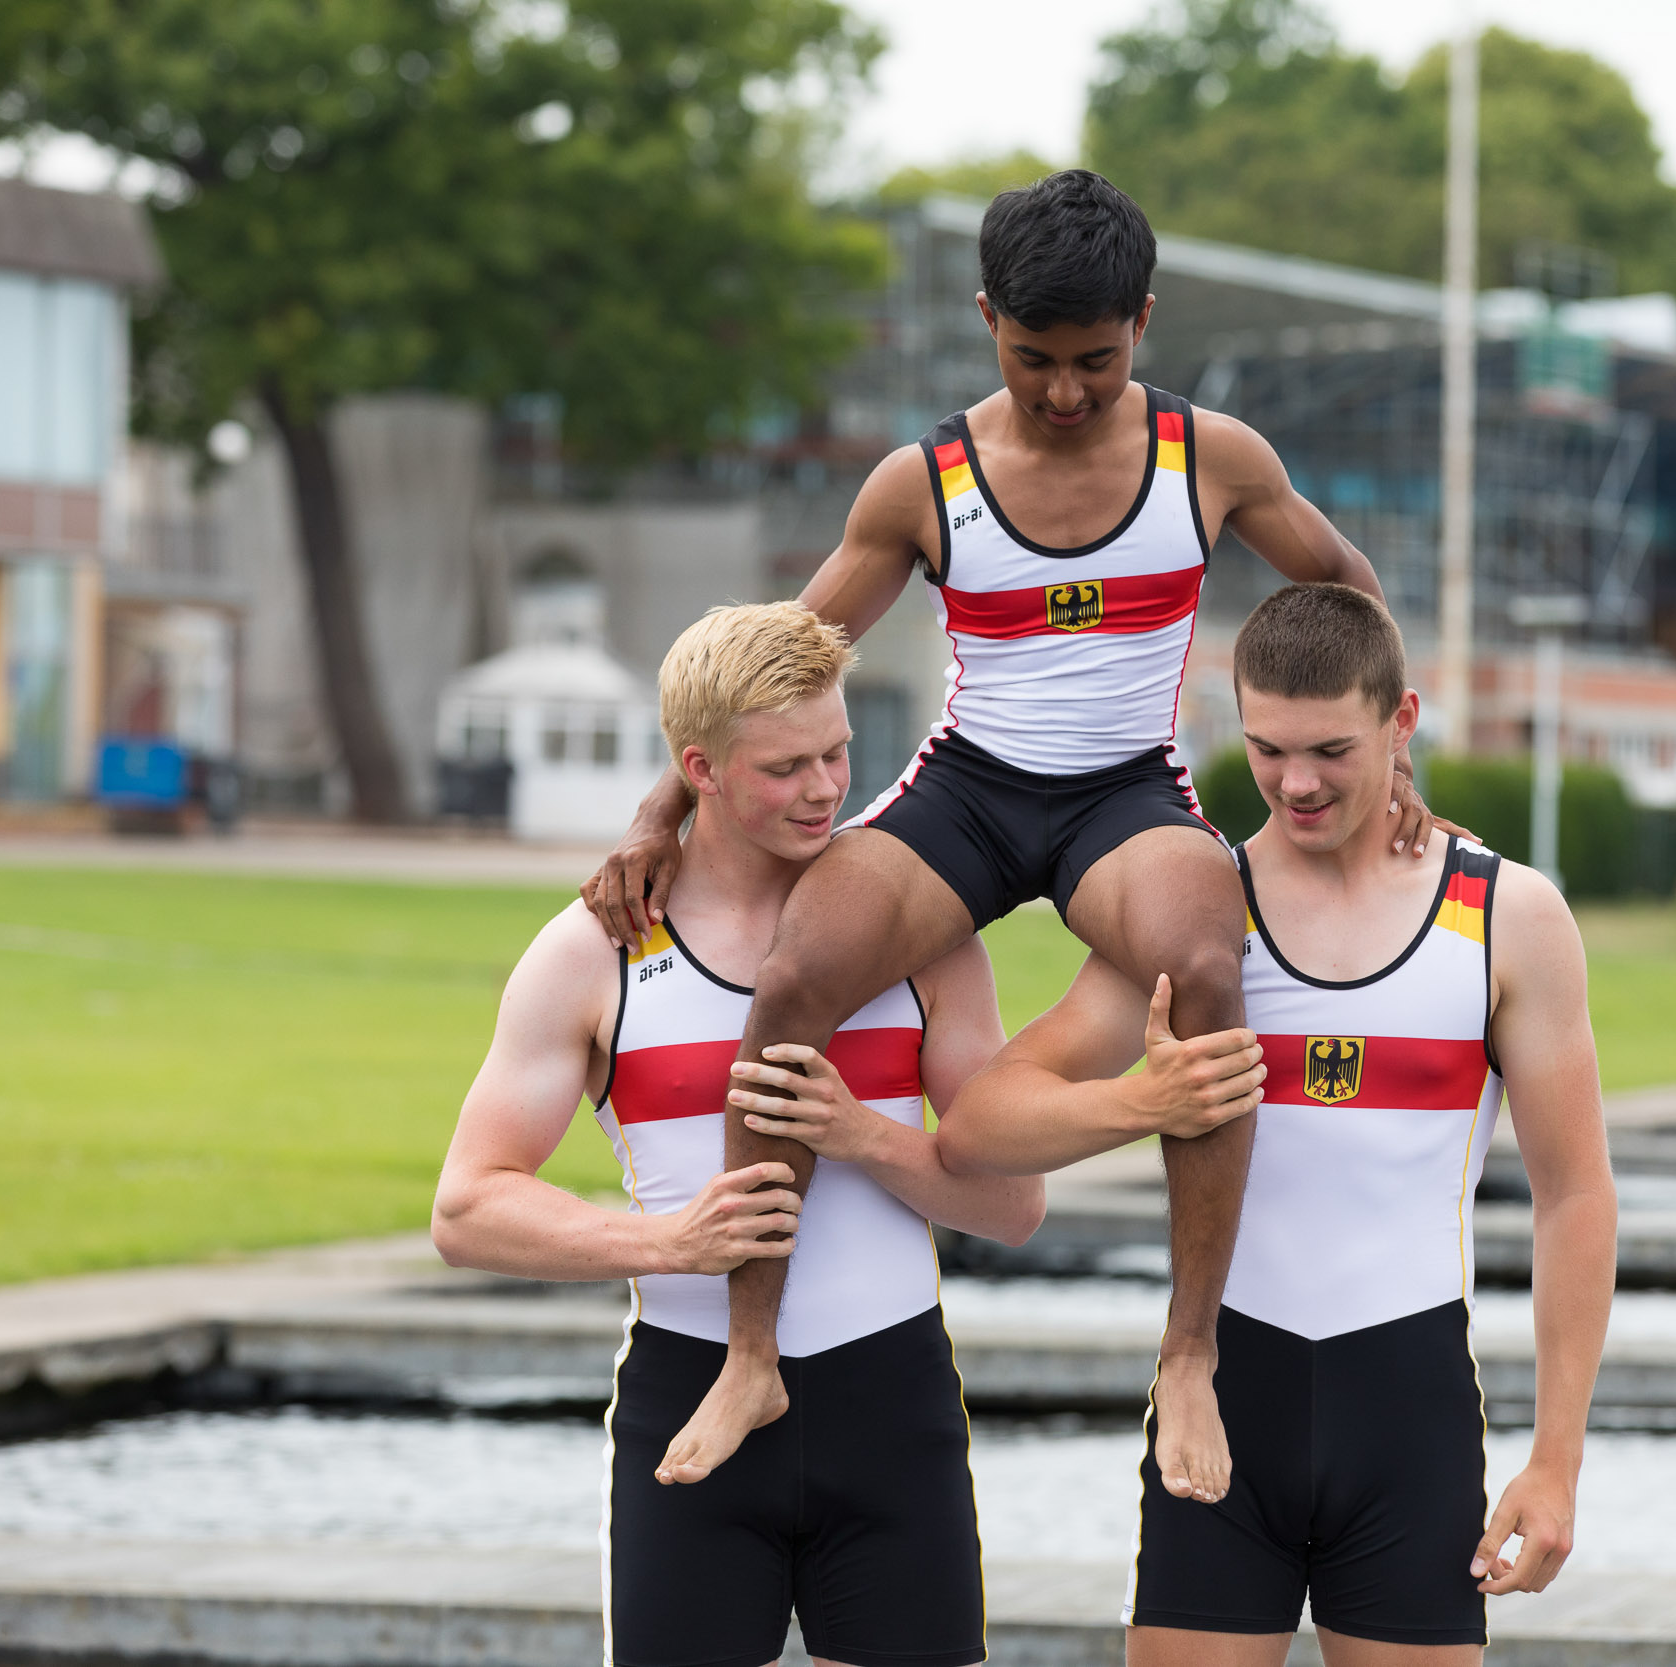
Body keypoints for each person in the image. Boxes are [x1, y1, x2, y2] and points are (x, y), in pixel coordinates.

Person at [581, 169, 1447, 1503]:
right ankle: (751, 1349)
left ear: (1143, 323)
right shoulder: (924, 482)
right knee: (799, 974)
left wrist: (1382, 758)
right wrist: (660, 807)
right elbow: (773, 667)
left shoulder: (1208, 459)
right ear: (989, 319)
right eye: (1032, 357)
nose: (1061, 392)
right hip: (972, 792)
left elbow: (1348, 589)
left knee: (1208, 969)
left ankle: (1190, 1350)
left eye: (1095, 362)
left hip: (1123, 798)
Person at [937, 583, 1617, 1665]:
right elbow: (976, 1125)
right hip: (1221, 1404)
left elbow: (1573, 1193)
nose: (1295, 782)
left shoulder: (1507, 917)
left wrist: (1558, 1458)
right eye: (1266, 748)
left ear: (1401, 722)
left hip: (1408, 1417)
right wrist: (1140, 1103)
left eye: (1330, 750)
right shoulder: (1196, 910)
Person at [435, 602, 1041, 1667]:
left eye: (838, 751)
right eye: (784, 767)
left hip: (889, 1405)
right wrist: (664, 1240)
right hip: (689, 1398)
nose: (823, 788)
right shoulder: (597, 951)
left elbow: (1013, 1203)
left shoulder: (920, 932)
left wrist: (863, 1136)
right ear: (698, 771)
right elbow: (467, 1207)